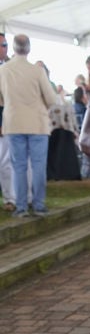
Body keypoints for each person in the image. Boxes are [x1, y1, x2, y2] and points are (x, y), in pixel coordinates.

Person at [0, 34, 58, 217]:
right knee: (38, 166)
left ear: (13, 48)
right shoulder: (37, 71)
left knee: (18, 167)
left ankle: (21, 206)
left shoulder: (3, 70)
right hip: (37, 124)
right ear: (29, 48)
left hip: (14, 122)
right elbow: (51, 99)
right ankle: (39, 204)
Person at [0, 32, 15, 211]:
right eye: (2, 45)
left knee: (6, 163)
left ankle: (10, 199)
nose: (5, 48)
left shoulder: (11, 67)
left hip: (7, 122)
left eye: (5, 45)